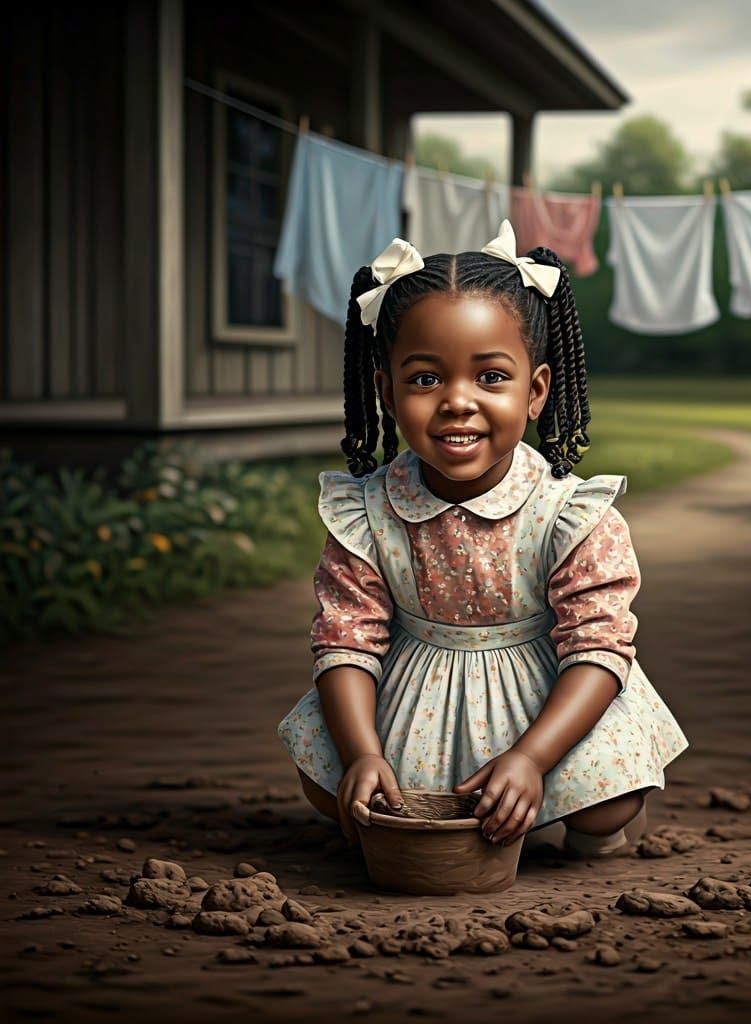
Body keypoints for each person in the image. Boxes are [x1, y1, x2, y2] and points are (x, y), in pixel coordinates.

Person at [277, 219, 689, 859]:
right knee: (326, 782)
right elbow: (346, 639)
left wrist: (530, 758)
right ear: (385, 393)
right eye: (424, 379)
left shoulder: (569, 514)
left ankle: (576, 822)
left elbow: (599, 647)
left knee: (610, 802)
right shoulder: (366, 513)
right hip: (416, 694)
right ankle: (401, 789)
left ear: (537, 391)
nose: (457, 402)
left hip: (543, 693)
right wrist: (361, 752)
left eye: (491, 377)